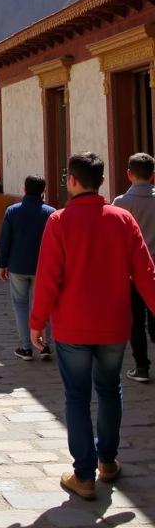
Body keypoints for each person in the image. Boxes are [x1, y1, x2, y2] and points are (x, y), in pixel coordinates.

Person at [31, 152, 155, 499]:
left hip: (72, 327)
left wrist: (36, 323)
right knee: (110, 390)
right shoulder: (122, 219)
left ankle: (83, 475)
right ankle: (108, 461)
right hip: (114, 324)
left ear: (71, 180)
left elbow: (48, 279)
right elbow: (146, 272)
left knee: (76, 396)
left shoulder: (59, 221)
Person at [0, 175, 55, 360]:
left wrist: (2, 263)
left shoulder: (12, 211)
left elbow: (5, 239)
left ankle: (26, 347)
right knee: (42, 305)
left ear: (24, 189)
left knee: (20, 305)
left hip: (18, 265)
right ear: (43, 191)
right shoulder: (51, 212)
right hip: (43, 267)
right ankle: (45, 345)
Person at [112, 152, 155, 383]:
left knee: (135, 320)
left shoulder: (121, 203)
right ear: (153, 176)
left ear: (129, 174)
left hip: (131, 272)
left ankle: (141, 367)